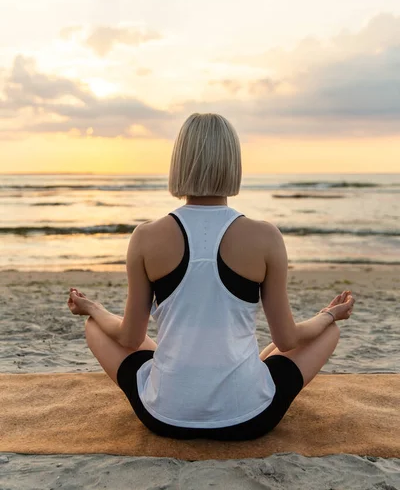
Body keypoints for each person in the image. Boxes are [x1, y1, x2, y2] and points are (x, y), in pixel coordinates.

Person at [67, 112, 355, 441]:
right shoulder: (265, 236)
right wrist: (328, 314)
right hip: (249, 418)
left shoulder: (146, 237)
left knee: (99, 329)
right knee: (325, 332)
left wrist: (95, 309)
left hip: (166, 417)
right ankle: (245, 371)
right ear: (233, 163)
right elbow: (288, 339)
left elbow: (130, 339)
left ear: (180, 162)